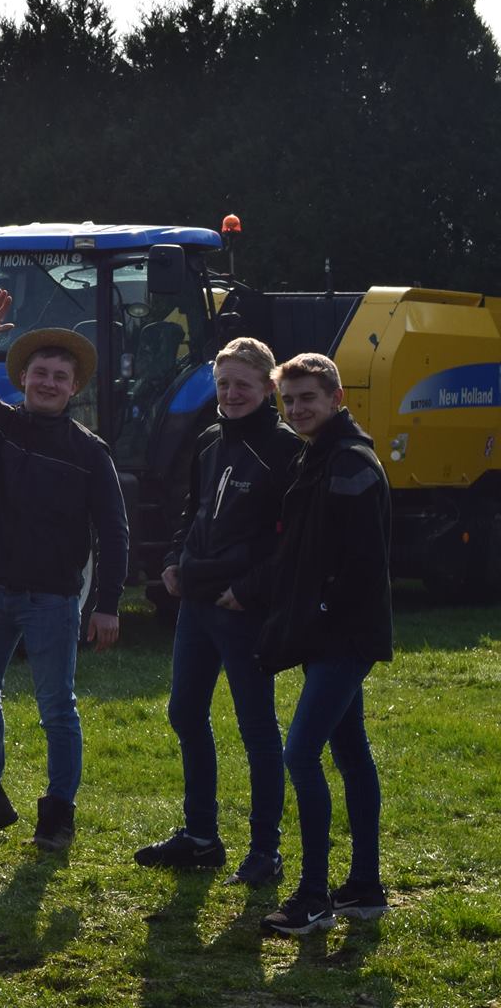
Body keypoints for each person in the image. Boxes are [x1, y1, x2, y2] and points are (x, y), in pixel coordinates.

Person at [0, 288, 127, 852]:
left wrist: (108, 603)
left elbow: (113, 533)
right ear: (24, 381)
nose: (48, 383)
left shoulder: (91, 453)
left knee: (56, 710)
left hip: (53, 599)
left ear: (75, 388)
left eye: (59, 377)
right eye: (39, 373)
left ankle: (58, 816)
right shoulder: (0, 424)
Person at [221, 353, 391, 936]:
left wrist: (318, 610)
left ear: (336, 399)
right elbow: (298, 551)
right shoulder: (316, 458)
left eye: (308, 399)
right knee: (350, 753)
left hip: (344, 636)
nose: (297, 410)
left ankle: (314, 897)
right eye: (289, 400)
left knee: (299, 754)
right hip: (327, 634)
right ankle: (364, 888)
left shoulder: (349, 463)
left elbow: (360, 563)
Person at [135, 338, 301, 887]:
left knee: (257, 728)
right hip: (198, 604)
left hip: (241, 608)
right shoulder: (208, 441)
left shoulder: (284, 449)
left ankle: (265, 851)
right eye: (224, 384)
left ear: (268, 388)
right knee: (185, 713)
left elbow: (290, 541)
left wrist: (250, 591)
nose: (231, 395)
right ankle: (201, 837)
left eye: (244, 386)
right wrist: (172, 560)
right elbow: (193, 511)